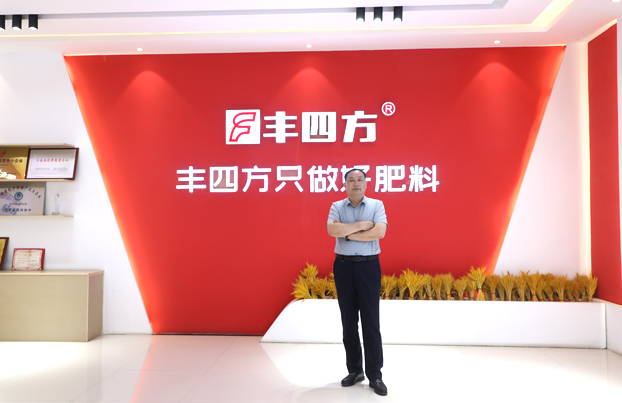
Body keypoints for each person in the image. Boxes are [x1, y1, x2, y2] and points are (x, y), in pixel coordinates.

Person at [326, 168, 388, 397]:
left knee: (371, 321)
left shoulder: (377, 205)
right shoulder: (336, 206)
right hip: (343, 267)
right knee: (348, 321)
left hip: (369, 267)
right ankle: (355, 370)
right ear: (345, 184)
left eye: (360, 179)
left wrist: (347, 234)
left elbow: (379, 232)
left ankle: (375, 375)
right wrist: (363, 225)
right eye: (351, 180)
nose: (355, 183)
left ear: (366, 184)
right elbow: (332, 229)